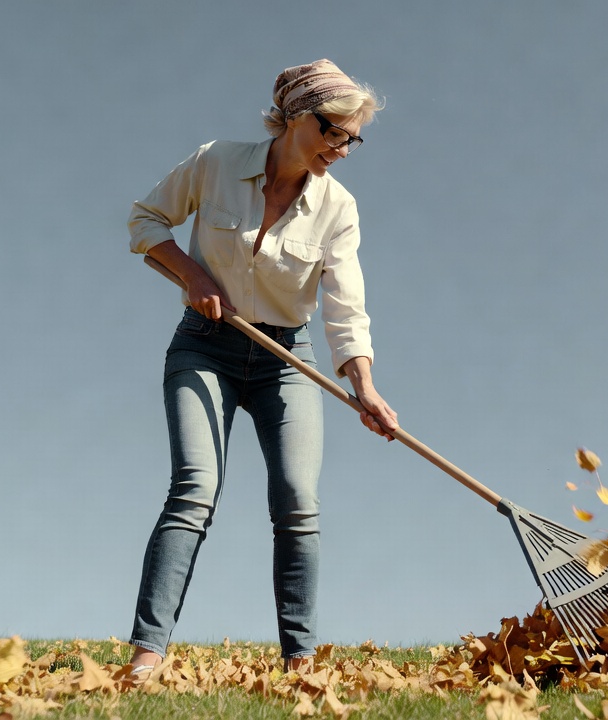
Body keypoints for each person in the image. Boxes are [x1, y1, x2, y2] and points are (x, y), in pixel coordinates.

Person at [126, 59, 399, 675]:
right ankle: (148, 654)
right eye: (335, 131)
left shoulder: (339, 208)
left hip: (286, 361)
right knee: (195, 487)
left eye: (353, 138)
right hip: (205, 345)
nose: (344, 148)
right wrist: (192, 274)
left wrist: (364, 385)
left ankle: (299, 664)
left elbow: (346, 307)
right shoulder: (216, 161)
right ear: (297, 115)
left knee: (298, 500)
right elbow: (146, 221)